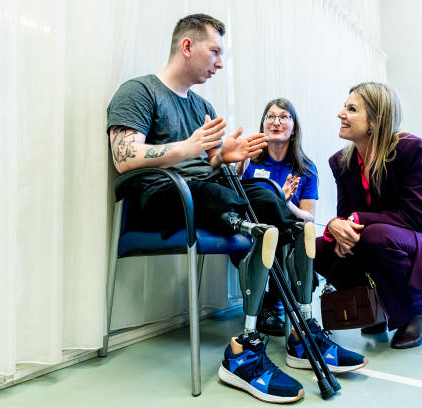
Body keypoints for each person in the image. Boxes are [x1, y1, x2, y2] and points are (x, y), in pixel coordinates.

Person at [106, 14, 366, 403]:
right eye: (215, 51)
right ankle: (243, 352)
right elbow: (124, 158)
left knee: (263, 194)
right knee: (237, 202)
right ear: (188, 47)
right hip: (160, 197)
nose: (220, 63)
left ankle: (303, 331)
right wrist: (189, 149)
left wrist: (223, 158)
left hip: (202, 191)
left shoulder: (202, 105)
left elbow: (207, 167)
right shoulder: (139, 91)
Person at [315, 82, 422, 349]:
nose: (341, 114)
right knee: (320, 248)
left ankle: (418, 310)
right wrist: (335, 226)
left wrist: (358, 220)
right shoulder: (340, 161)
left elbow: (416, 217)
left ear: (376, 120)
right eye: (344, 107)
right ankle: (375, 307)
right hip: (377, 234)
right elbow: (345, 215)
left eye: (351, 109)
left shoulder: (409, 149)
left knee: (377, 236)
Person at [239, 98, 319, 336]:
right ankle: (270, 304)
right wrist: (238, 171)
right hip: (254, 232)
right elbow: (239, 203)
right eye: (270, 116)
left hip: (287, 234)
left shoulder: (306, 169)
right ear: (263, 125)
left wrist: (285, 204)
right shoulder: (249, 162)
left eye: (283, 117)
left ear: (294, 129)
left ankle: (276, 301)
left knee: (289, 231)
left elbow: (309, 218)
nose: (276, 122)